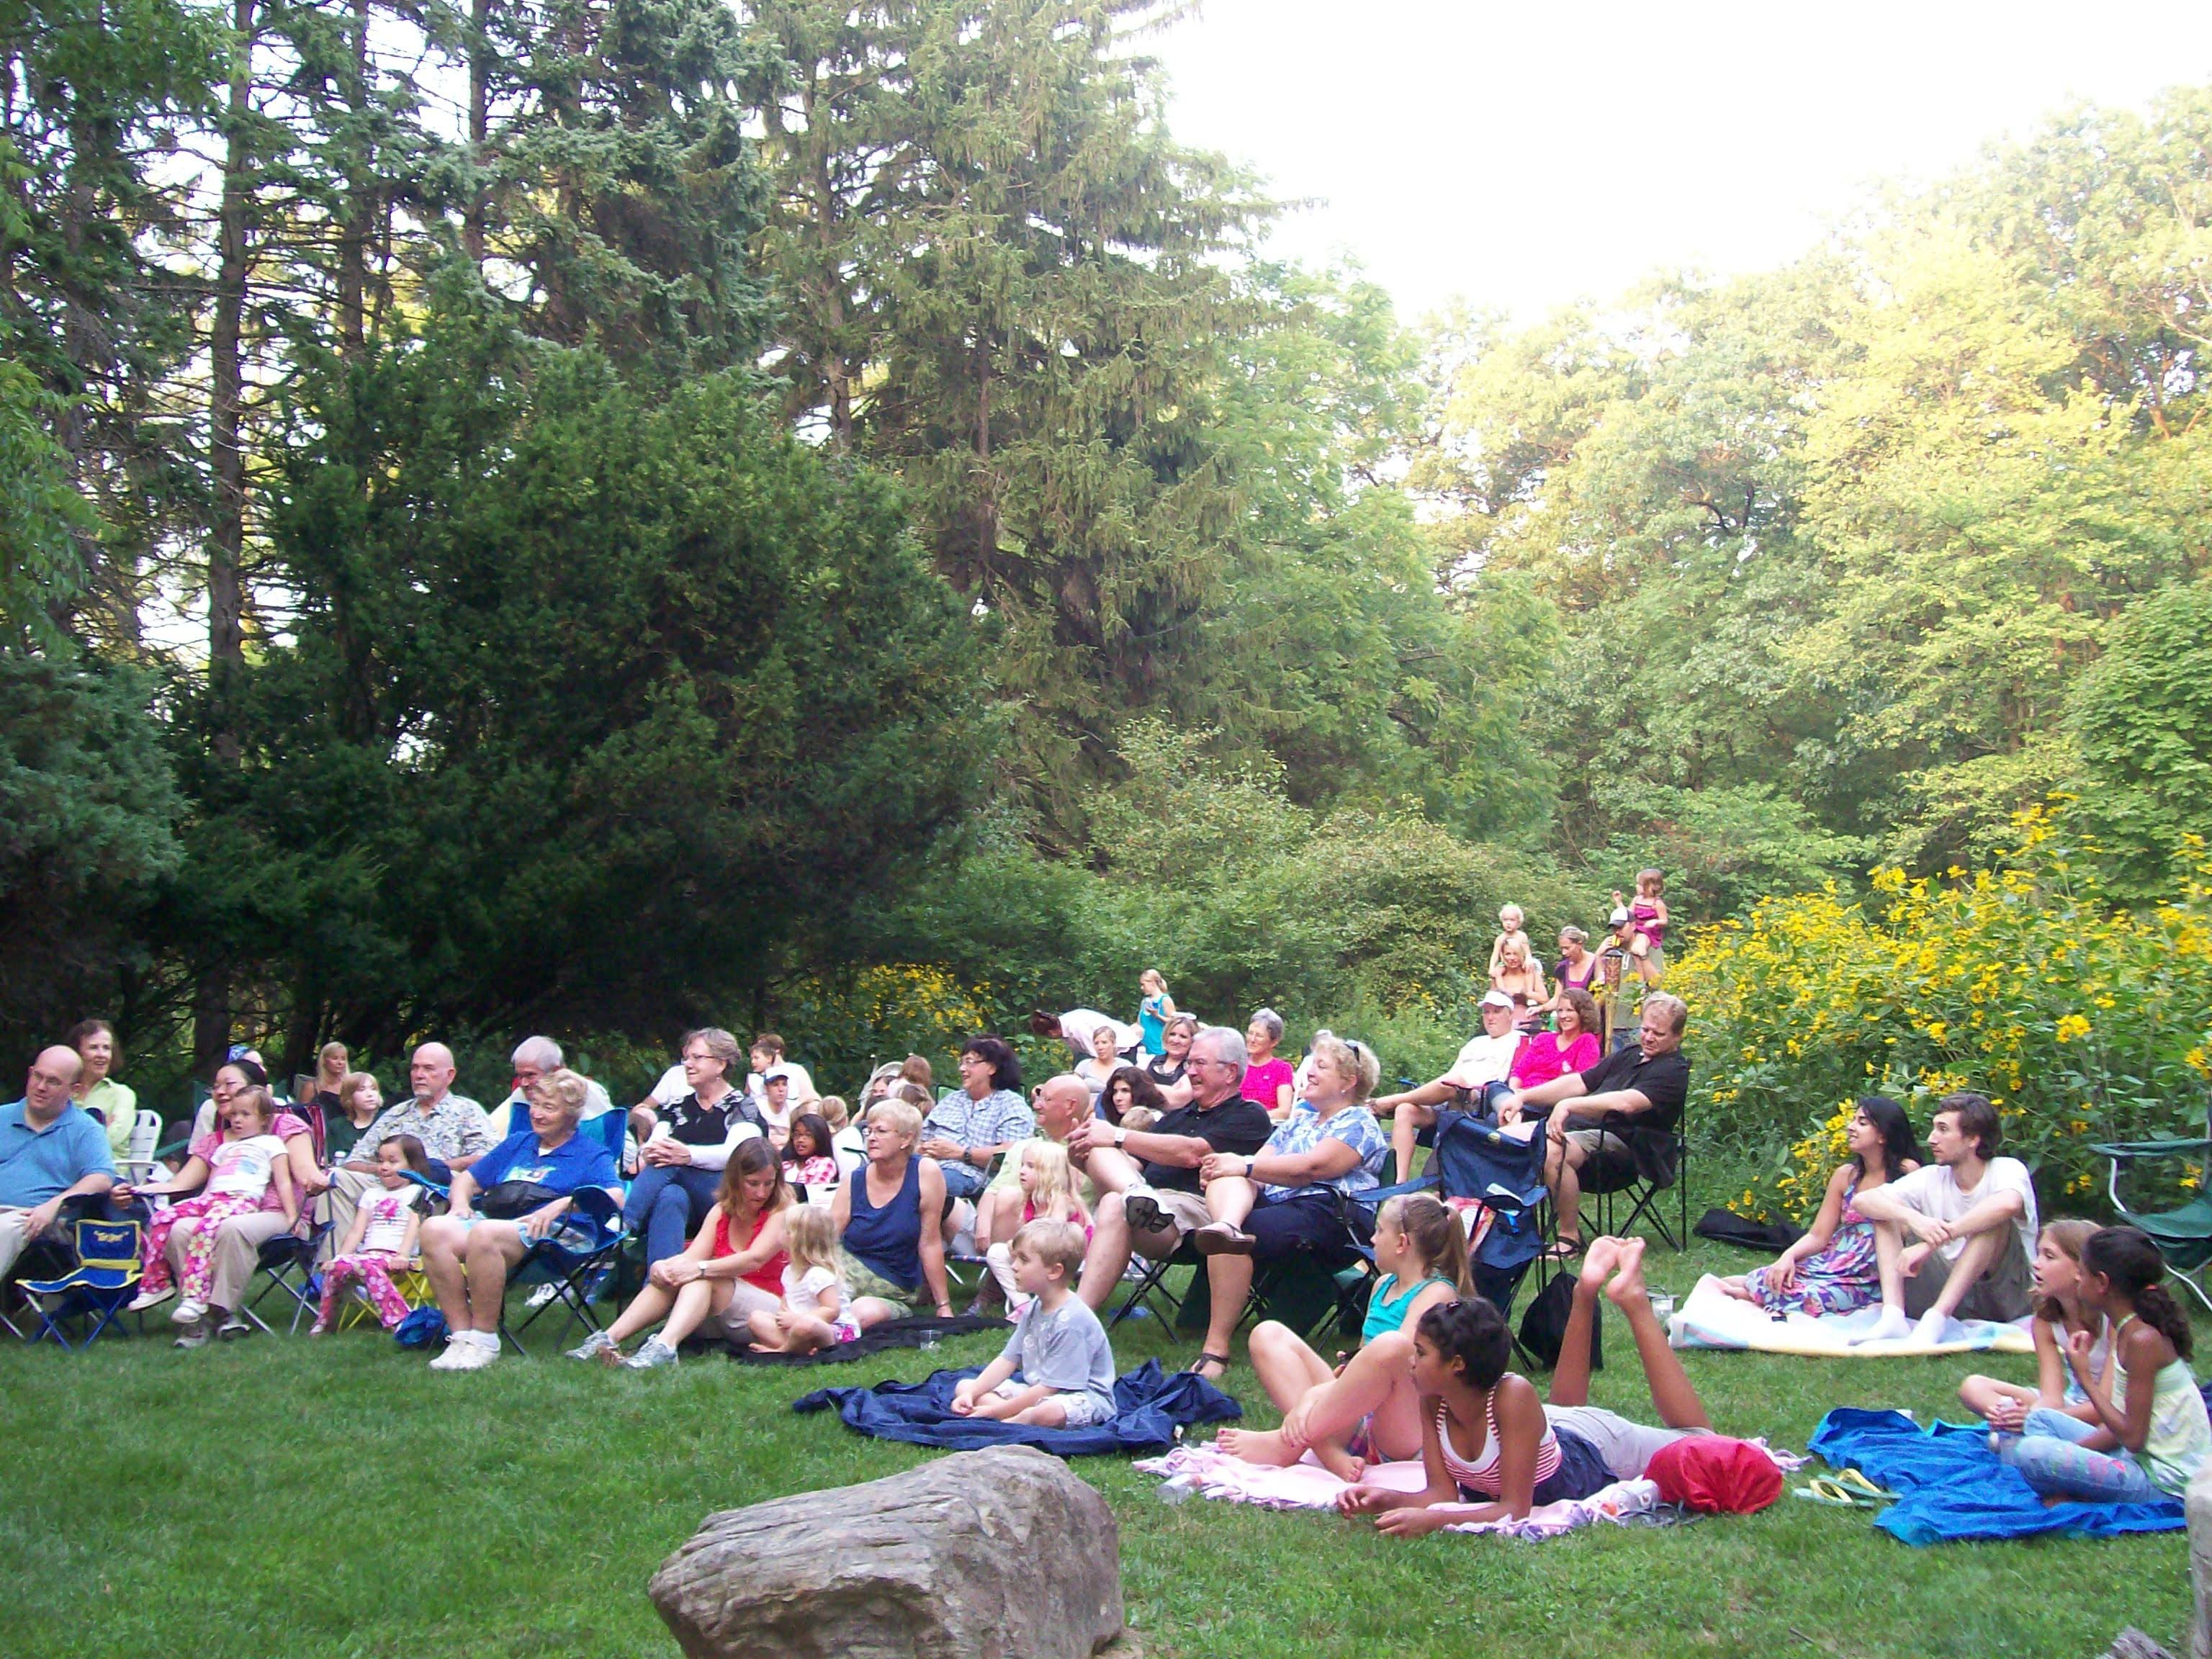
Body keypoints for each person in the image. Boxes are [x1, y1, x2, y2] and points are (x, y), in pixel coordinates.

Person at [1336, 1237, 1717, 1532]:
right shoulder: (1433, 1400)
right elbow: (1442, 1494)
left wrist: (1434, 1522)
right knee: (1565, 1410)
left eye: (1420, 1353)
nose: (1410, 1361)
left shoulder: (1513, 1394)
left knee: (1702, 1441)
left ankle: (1632, 1301)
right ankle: (1584, 1293)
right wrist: (1387, 1498)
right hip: (1546, 1429)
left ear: (1457, 1365)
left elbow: (1515, 1509)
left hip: (1596, 1445)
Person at [1181, 1029, 1390, 1380]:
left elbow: (1314, 1168)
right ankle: (1227, 1226)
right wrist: (1227, 1172)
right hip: (1280, 1207)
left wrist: (1243, 1165)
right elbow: (1259, 1167)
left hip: (1331, 1214)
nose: (1308, 1071)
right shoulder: (1301, 1120)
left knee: (1241, 1192)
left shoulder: (1359, 1122)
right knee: (1232, 1188)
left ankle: (1215, 1350)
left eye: (1321, 1066)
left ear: (1348, 1081)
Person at [1215, 1192, 1470, 1479]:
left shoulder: (1436, 1292)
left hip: (1404, 1426)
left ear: (1402, 1244)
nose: (1372, 1240)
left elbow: (1409, 1365)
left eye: (1379, 1231)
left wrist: (1315, 1395)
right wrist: (1350, 1368)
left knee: (1395, 1346)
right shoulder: (1384, 1285)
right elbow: (1364, 1361)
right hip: (1360, 1414)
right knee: (1267, 1333)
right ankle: (1327, 1450)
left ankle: (1288, 1441)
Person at [417, 1069, 622, 1371]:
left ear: (570, 1115)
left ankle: (485, 1338)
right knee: (434, 1228)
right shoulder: (517, 1143)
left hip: (558, 1238)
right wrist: (459, 1205)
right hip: (499, 1225)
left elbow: (616, 1196)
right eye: (536, 1105)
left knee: (485, 1232)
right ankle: (461, 1336)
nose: (537, 1114)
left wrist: (562, 1205)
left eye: (549, 1108)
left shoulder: (590, 1154)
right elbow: (468, 1179)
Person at [1064, 1026, 1272, 1316]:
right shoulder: (1178, 1116)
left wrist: (1116, 1136)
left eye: (1200, 1063)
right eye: (1189, 1063)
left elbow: (1192, 1153)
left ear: (1229, 1072)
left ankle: (1078, 1313)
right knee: (1110, 1178)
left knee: (1116, 1193)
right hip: (1147, 1203)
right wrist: (1082, 1156)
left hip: (1196, 1213)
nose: (1190, 1071)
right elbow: (1133, 1165)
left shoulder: (1249, 1115)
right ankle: (1079, 1316)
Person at [1995, 1225, 2212, 1502]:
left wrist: (2085, 1378)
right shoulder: (2127, 1330)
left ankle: (2076, 1492)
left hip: (2163, 1481)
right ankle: (2071, 1483)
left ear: (2102, 1283)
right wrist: (2073, 1454)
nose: (2078, 1280)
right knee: (2041, 1420)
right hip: (2134, 1455)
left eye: (2082, 1274)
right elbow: (2118, 1431)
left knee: (2031, 1453)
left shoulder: (2142, 1341)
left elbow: (2132, 1437)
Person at [131, 1056, 321, 1345]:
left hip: (279, 1214)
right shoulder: (215, 1141)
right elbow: (181, 1182)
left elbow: (304, 1170)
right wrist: (139, 1189)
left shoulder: (284, 1127)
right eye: (215, 1086)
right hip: (220, 1209)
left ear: (255, 1091)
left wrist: (314, 1181)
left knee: (231, 1228)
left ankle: (219, 1313)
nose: (219, 1091)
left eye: (229, 1084)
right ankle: (195, 1314)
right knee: (180, 1229)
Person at [1496, 992, 1690, 1256]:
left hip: (1631, 1147)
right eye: (1645, 1029)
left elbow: (1628, 1103)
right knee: (1506, 1138)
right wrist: (1523, 1096)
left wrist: (1568, 1105)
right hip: (1587, 1132)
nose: (1648, 1037)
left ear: (1677, 1037)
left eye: (1659, 1033)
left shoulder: (1673, 1070)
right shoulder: (1631, 1054)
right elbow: (1580, 1082)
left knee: (1555, 1150)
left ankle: (1569, 1238)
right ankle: (1503, 1224)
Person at [577, 1139, 791, 1368]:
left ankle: (665, 1345)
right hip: (722, 1306)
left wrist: (699, 1268)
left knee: (703, 1277)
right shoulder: (721, 1211)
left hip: (769, 1309)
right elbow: (693, 1256)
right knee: (676, 1275)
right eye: (753, 1183)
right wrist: (664, 1266)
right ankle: (609, 1338)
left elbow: (754, 1259)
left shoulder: (782, 1211)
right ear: (736, 1180)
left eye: (768, 1184)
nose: (761, 1192)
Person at [1848, 1091, 2038, 1344]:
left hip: (2004, 1296)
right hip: (1949, 1290)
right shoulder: (1931, 1177)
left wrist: (1932, 1242)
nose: (1931, 1139)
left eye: (1943, 1130)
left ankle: (1936, 1319)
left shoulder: (2006, 1169)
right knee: (1886, 1214)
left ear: (1972, 1139)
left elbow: (2008, 1204)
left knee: (1993, 1222)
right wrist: (1913, 1219)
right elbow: (1863, 1201)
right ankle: (1893, 1317)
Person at [1719, 1095, 1922, 1317]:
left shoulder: (1905, 1172)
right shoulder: (1846, 1176)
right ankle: (1744, 1291)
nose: (1851, 1127)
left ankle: (1745, 1295)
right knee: (1771, 1277)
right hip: (1832, 1263)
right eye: (1853, 1120)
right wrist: (1788, 1256)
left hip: (1868, 1276)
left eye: (1862, 1123)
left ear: (1883, 1135)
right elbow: (1818, 1235)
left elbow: (1910, 1230)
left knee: (1813, 1298)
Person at [325, 1043, 492, 1254]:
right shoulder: (396, 1113)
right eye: (415, 1068)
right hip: (384, 1185)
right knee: (336, 1179)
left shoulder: (467, 1111)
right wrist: (389, 1168)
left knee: (431, 1187)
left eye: (428, 1069)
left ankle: (407, 1261)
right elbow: (354, 1161)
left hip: (434, 1187)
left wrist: (425, 1167)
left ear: (449, 1076)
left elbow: (488, 1159)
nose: (419, 1075)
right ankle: (336, 1268)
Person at [952, 1220, 1118, 1427]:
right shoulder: (1035, 1306)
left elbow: (1051, 1389)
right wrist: (972, 1393)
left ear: (1054, 1271)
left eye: (1023, 1260)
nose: (1014, 1266)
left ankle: (1011, 1417)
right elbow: (1008, 1359)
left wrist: (994, 1411)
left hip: (1080, 1397)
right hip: (1039, 1390)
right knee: (964, 1386)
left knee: (1048, 1412)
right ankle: (1011, 1416)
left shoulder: (1072, 1320)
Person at [626, 1028, 766, 1272]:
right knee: (671, 1196)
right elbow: (652, 1147)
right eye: (686, 1058)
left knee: (672, 1162)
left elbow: (735, 1156)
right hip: (683, 1200)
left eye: (697, 1058)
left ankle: (623, 1223)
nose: (688, 1065)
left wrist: (686, 1156)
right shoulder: (676, 1107)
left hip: (726, 1197)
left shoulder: (743, 1107)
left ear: (721, 1064)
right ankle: (661, 1284)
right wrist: (650, 1153)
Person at [1959, 1220, 2106, 1431]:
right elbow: (2052, 1398)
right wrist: (2027, 1414)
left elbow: (2108, 1405)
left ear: (2080, 1269)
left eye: (2049, 1256)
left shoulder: (2110, 1320)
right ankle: (2015, 1425)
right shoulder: (2046, 1321)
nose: (2036, 1264)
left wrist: (2033, 1418)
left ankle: (2025, 1432)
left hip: (2108, 1411)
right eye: (2038, 1254)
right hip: (2072, 1404)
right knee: (1974, 1386)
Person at [1373, 991, 1526, 1190]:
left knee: (1454, 1083)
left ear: (1510, 1014)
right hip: (1450, 1096)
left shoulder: (1519, 1039)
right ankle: (1400, 1183)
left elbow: (1516, 1077)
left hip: (1482, 1100)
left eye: (1496, 1012)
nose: (1490, 1017)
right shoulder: (1475, 1043)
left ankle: (1391, 1101)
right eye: (1486, 1012)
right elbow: (1450, 1075)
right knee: (1405, 1110)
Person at [0, 1046, 115, 1288]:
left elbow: (101, 1177)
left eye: (53, 1082)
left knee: (5, 1227)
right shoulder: (3, 1117)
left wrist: (54, 1205)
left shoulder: (85, 1130)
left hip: (32, 1218)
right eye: (37, 1076)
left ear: (74, 1090)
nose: (41, 1087)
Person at [832, 1100, 955, 1324]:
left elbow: (930, 1242)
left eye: (881, 1131)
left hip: (893, 1286)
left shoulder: (925, 1173)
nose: (870, 1137)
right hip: (844, 1271)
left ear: (906, 1139)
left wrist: (943, 1306)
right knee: (823, 1297)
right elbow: (826, 1239)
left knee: (861, 1314)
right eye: (869, 1130)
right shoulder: (854, 1181)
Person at [310, 1135, 429, 1334]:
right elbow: (357, 1230)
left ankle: (399, 1318)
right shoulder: (371, 1195)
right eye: (381, 1161)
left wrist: (403, 1255)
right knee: (336, 1268)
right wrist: (341, 1256)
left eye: (393, 1162)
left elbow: (414, 1226)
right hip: (369, 1254)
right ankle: (325, 1320)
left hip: (396, 1256)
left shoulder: (417, 1192)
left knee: (365, 1265)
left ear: (413, 1166)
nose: (384, 1167)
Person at [976, 1075, 1097, 1258]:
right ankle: (1002, 1273)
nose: (1037, 1105)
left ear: (1070, 1107)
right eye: (1038, 1097)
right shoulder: (1023, 1147)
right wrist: (983, 1228)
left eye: (1046, 1099)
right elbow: (993, 1191)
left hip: (1063, 1237)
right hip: (1010, 1233)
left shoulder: (1089, 1151)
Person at [920, 1035, 1033, 1210]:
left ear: (992, 1068)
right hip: (926, 1166)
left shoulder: (1011, 1104)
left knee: (931, 1185)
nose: (962, 1069)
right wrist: (921, 1148)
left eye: (970, 1062)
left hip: (970, 1177)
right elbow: (921, 1138)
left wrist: (961, 1153)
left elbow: (1010, 1155)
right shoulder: (951, 1100)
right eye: (962, 1063)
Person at [984, 1140, 1092, 1315]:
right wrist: (1017, 1247)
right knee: (997, 1252)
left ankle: (1046, 1305)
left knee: (1031, 1256)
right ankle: (1023, 1307)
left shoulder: (1060, 1202)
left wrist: (1019, 1247)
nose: (1022, 1171)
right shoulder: (1030, 1202)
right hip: (1044, 1257)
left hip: (1071, 1258)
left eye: (1031, 1167)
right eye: (1022, 1165)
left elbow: (1054, 1242)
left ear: (1050, 1173)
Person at [745, 1203, 860, 1354]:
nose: (779, 1233)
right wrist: (783, 1318)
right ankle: (801, 1349)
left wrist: (798, 1319)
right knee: (757, 1318)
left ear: (796, 1239)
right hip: (798, 1328)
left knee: (806, 1326)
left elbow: (832, 1310)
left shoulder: (819, 1274)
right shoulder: (789, 1271)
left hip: (833, 1330)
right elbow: (785, 1304)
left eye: (784, 1229)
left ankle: (782, 1351)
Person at [482, 1036, 616, 1140]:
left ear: (557, 1071)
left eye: (530, 1075)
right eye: (519, 1076)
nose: (523, 1083)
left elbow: (604, 1142)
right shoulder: (520, 1096)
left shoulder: (587, 1092)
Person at [67, 1019, 138, 1162]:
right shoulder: (64, 1093)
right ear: (77, 1053)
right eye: (94, 1047)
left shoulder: (122, 1094)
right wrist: (98, 1129)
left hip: (106, 1174)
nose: (102, 1054)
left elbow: (111, 1138)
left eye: (106, 1048)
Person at [1509, 989, 1601, 1093]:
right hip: (1520, 1097)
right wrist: (1514, 1092)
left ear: (1583, 1014)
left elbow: (1579, 1084)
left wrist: (1527, 1096)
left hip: (1550, 1100)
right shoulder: (1543, 1039)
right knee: (1494, 1087)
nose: (1563, 1016)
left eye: (1569, 1010)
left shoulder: (1587, 1041)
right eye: (1560, 1011)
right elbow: (1519, 1072)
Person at [1617, 868, 1670, 986]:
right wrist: (1619, 903)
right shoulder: (1637, 900)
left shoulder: (1657, 904)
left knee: (1638, 949)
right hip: (1637, 929)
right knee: (1632, 949)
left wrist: (1655, 922)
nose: (1637, 887)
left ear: (1650, 886)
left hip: (1648, 933)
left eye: (1640, 885)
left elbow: (1664, 920)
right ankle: (1639, 977)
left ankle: (1643, 980)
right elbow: (1629, 914)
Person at [323, 1071, 385, 1164]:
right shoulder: (336, 1127)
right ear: (349, 1097)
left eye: (373, 1089)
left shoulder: (387, 1120)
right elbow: (329, 1159)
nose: (370, 1094)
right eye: (362, 1090)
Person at [1242, 1010, 1295, 1118]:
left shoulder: (1282, 1069)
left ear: (1274, 1042)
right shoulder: (1237, 1065)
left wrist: (1250, 1119)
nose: (1252, 1040)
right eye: (1250, 1033)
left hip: (1264, 1127)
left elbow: (1284, 1111)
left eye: (1259, 1036)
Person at [745, 1034, 817, 1110]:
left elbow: (809, 1095)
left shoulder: (795, 1069)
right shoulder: (755, 1076)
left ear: (777, 1049)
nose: (759, 1050)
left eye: (764, 1047)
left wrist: (792, 1109)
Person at [1491, 937, 1547, 1028]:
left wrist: (1527, 994)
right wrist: (1498, 977)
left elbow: (1544, 999)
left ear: (1522, 955)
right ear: (1503, 956)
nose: (1512, 958)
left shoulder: (1531, 974)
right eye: (1508, 954)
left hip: (1528, 1024)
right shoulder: (1499, 976)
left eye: (1516, 954)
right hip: (1503, 1024)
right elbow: (1492, 1003)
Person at [1145, 1015, 1199, 1105]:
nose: (1176, 1040)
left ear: (1192, 1041)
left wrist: (1142, 1086)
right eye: (1172, 1034)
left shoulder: (1193, 1069)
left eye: (1183, 1037)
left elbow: (1178, 1099)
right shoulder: (1149, 1060)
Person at [1547, 927, 1602, 1010]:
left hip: (1594, 1017)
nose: (1564, 953)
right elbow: (1557, 999)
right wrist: (1541, 1008)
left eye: (1567, 948)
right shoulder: (1562, 968)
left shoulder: (1597, 963)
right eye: (1562, 949)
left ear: (1580, 945)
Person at [1099, 1064, 1166, 1130]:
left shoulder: (1156, 1119)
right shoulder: (1111, 1121)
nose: (1118, 1098)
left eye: (1125, 1091)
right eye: (1115, 1092)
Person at [783, 1113, 840, 1189]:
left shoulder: (825, 1163)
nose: (800, 1140)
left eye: (808, 1135)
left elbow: (814, 1191)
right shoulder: (785, 1166)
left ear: (820, 1138)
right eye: (797, 1135)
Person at [1074, 1022, 1125, 1106]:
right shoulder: (1084, 1065)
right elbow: (1073, 1090)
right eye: (1096, 1043)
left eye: (1104, 1042)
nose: (1100, 1047)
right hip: (1087, 1110)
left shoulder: (1124, 1066)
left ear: (1113, 1043)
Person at [1138, 971, 1177, 1056]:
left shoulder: (1165, 1000)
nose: (1141, 988)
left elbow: (1174, 1023)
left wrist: (1157, 1016)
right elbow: (1139, 1024)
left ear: (1152, 983)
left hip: (1160, 1048)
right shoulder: (1145, 1001)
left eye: (1143, 984)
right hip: (1144, 1049)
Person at [1488, 904, 1530, 982]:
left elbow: (1527, 952)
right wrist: (1491, 968)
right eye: (1505, 920)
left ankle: (1529, 989)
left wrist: (1527, 960)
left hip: (1520, 962)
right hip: (1505, 963)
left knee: (1530, 967)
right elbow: (1495, 955)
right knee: (1497, 972)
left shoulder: (1522, 936)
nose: (1508, 923)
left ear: (1518, 922)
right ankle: (1502, 991)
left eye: (1512, 920)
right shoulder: (1500, 939)